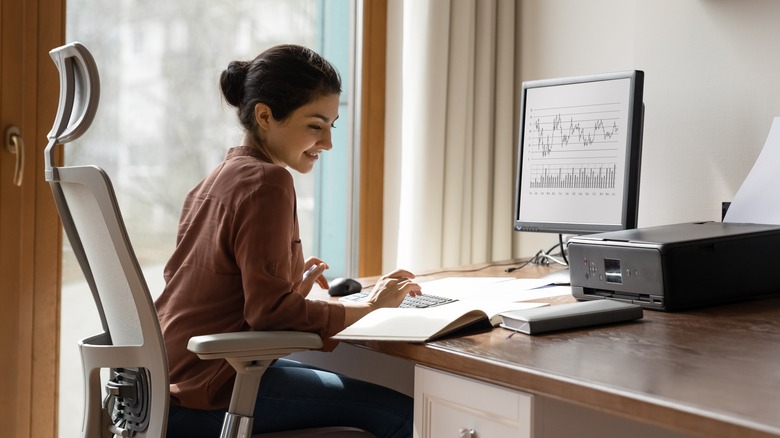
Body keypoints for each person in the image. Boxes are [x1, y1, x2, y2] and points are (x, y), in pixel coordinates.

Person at [155, 44, 420, 438]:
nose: (328, 142)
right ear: (265, 115)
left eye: (332, 124)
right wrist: (371, 307)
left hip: (168, 384)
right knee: (408, 414)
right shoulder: (269, 181)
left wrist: (287, 290)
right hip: (212, 392)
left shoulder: (215, 180)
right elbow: (271, 315)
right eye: (315, 125)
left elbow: (216, 292)